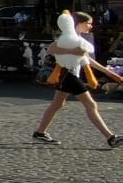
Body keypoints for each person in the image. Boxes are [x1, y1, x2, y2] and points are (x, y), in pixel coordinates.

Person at [35, 12, 123, 148]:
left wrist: (110, 73)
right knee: (91, 105)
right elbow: (51, 49)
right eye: (88, 23)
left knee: (57, 104)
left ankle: (40, 132)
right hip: (68, 75)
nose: (91, 26)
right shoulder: (67, 37)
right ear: (79, 24)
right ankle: (110, 137)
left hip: (68, 75)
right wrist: (73, 51)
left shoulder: (77, 38)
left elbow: (87, 59)